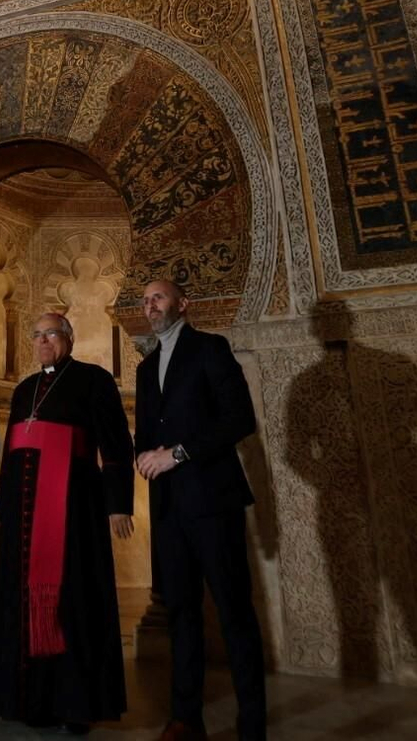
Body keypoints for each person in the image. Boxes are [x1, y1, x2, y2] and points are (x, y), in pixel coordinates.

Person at [0, 312, 134, 736]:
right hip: (24, 517)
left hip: (75, 511)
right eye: (36, 335)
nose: (42, 341)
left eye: (51, 333)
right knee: (22, 602)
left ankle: (76, 704)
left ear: (68, 337)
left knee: (75, 601)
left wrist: (117, 503)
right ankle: (30, 698)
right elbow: (12, 455)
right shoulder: (23, 390)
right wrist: (4, 509)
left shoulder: (94, 379)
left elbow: (115, 443)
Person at [134, 280, 265, 741]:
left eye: (159, 298)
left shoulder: (210, 348)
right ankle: (186, 718)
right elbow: (147, 434)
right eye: (145, 300)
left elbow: (238, 419)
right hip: (170, 509)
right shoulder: (146, 369)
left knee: (233, 612)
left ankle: (252, 725)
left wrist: (177, 454)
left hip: (212, 501)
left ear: (181, 304)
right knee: (181, 613)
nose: (151, 305)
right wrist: (143, 455)